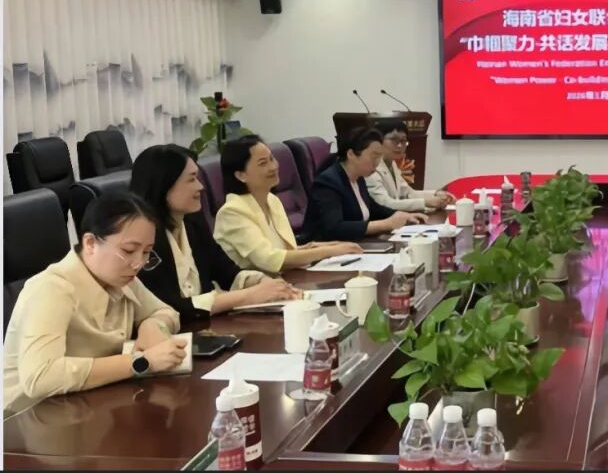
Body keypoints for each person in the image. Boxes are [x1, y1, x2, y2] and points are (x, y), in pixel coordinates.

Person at [3, 193, 186, 415]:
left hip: (91, 405)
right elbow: (40, 376)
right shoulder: (51, 289)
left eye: (146, 252)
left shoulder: (122, 278)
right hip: (30, 419)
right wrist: (141, 362)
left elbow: (166, 312)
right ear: (90, 243)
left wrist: (152, 325)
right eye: (128, 251)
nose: (138, 263)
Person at [129, 144, 303, 325]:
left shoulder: (192, 223)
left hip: (207, 329)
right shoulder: (143, 239)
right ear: (164, 186)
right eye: (191, 179)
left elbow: (228, 272)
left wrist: (263, 282)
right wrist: (247, 296)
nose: (200, 186)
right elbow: (167, 306)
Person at [214, 135, 362, 273]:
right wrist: (328, 251)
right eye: (263, 163)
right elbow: (269, 259)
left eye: (272, 159)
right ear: (241, 175)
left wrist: (325, 246)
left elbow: (286, 252)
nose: (273, 166)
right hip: (255, 288)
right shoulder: (232, 212)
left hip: (283, 280)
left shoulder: (272, 200)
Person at [305, 128, 427, 241]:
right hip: (323, 251)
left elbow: (372, 208)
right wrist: (386, 224)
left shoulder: (358, 178)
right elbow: (335, 228)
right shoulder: (328, 182)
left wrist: (400, 215)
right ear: (351, 154)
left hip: (354, 245)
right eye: (374, 156)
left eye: (379, 157)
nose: (377, 163)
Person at [366, 119, 454, 212]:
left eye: (403, 140)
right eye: (394, 140)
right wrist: (425, 202)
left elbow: (409, 193)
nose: (400, 145)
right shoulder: (370, 168)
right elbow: (385, 203)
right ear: (378, 141)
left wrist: (436, 194)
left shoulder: (392, 164)